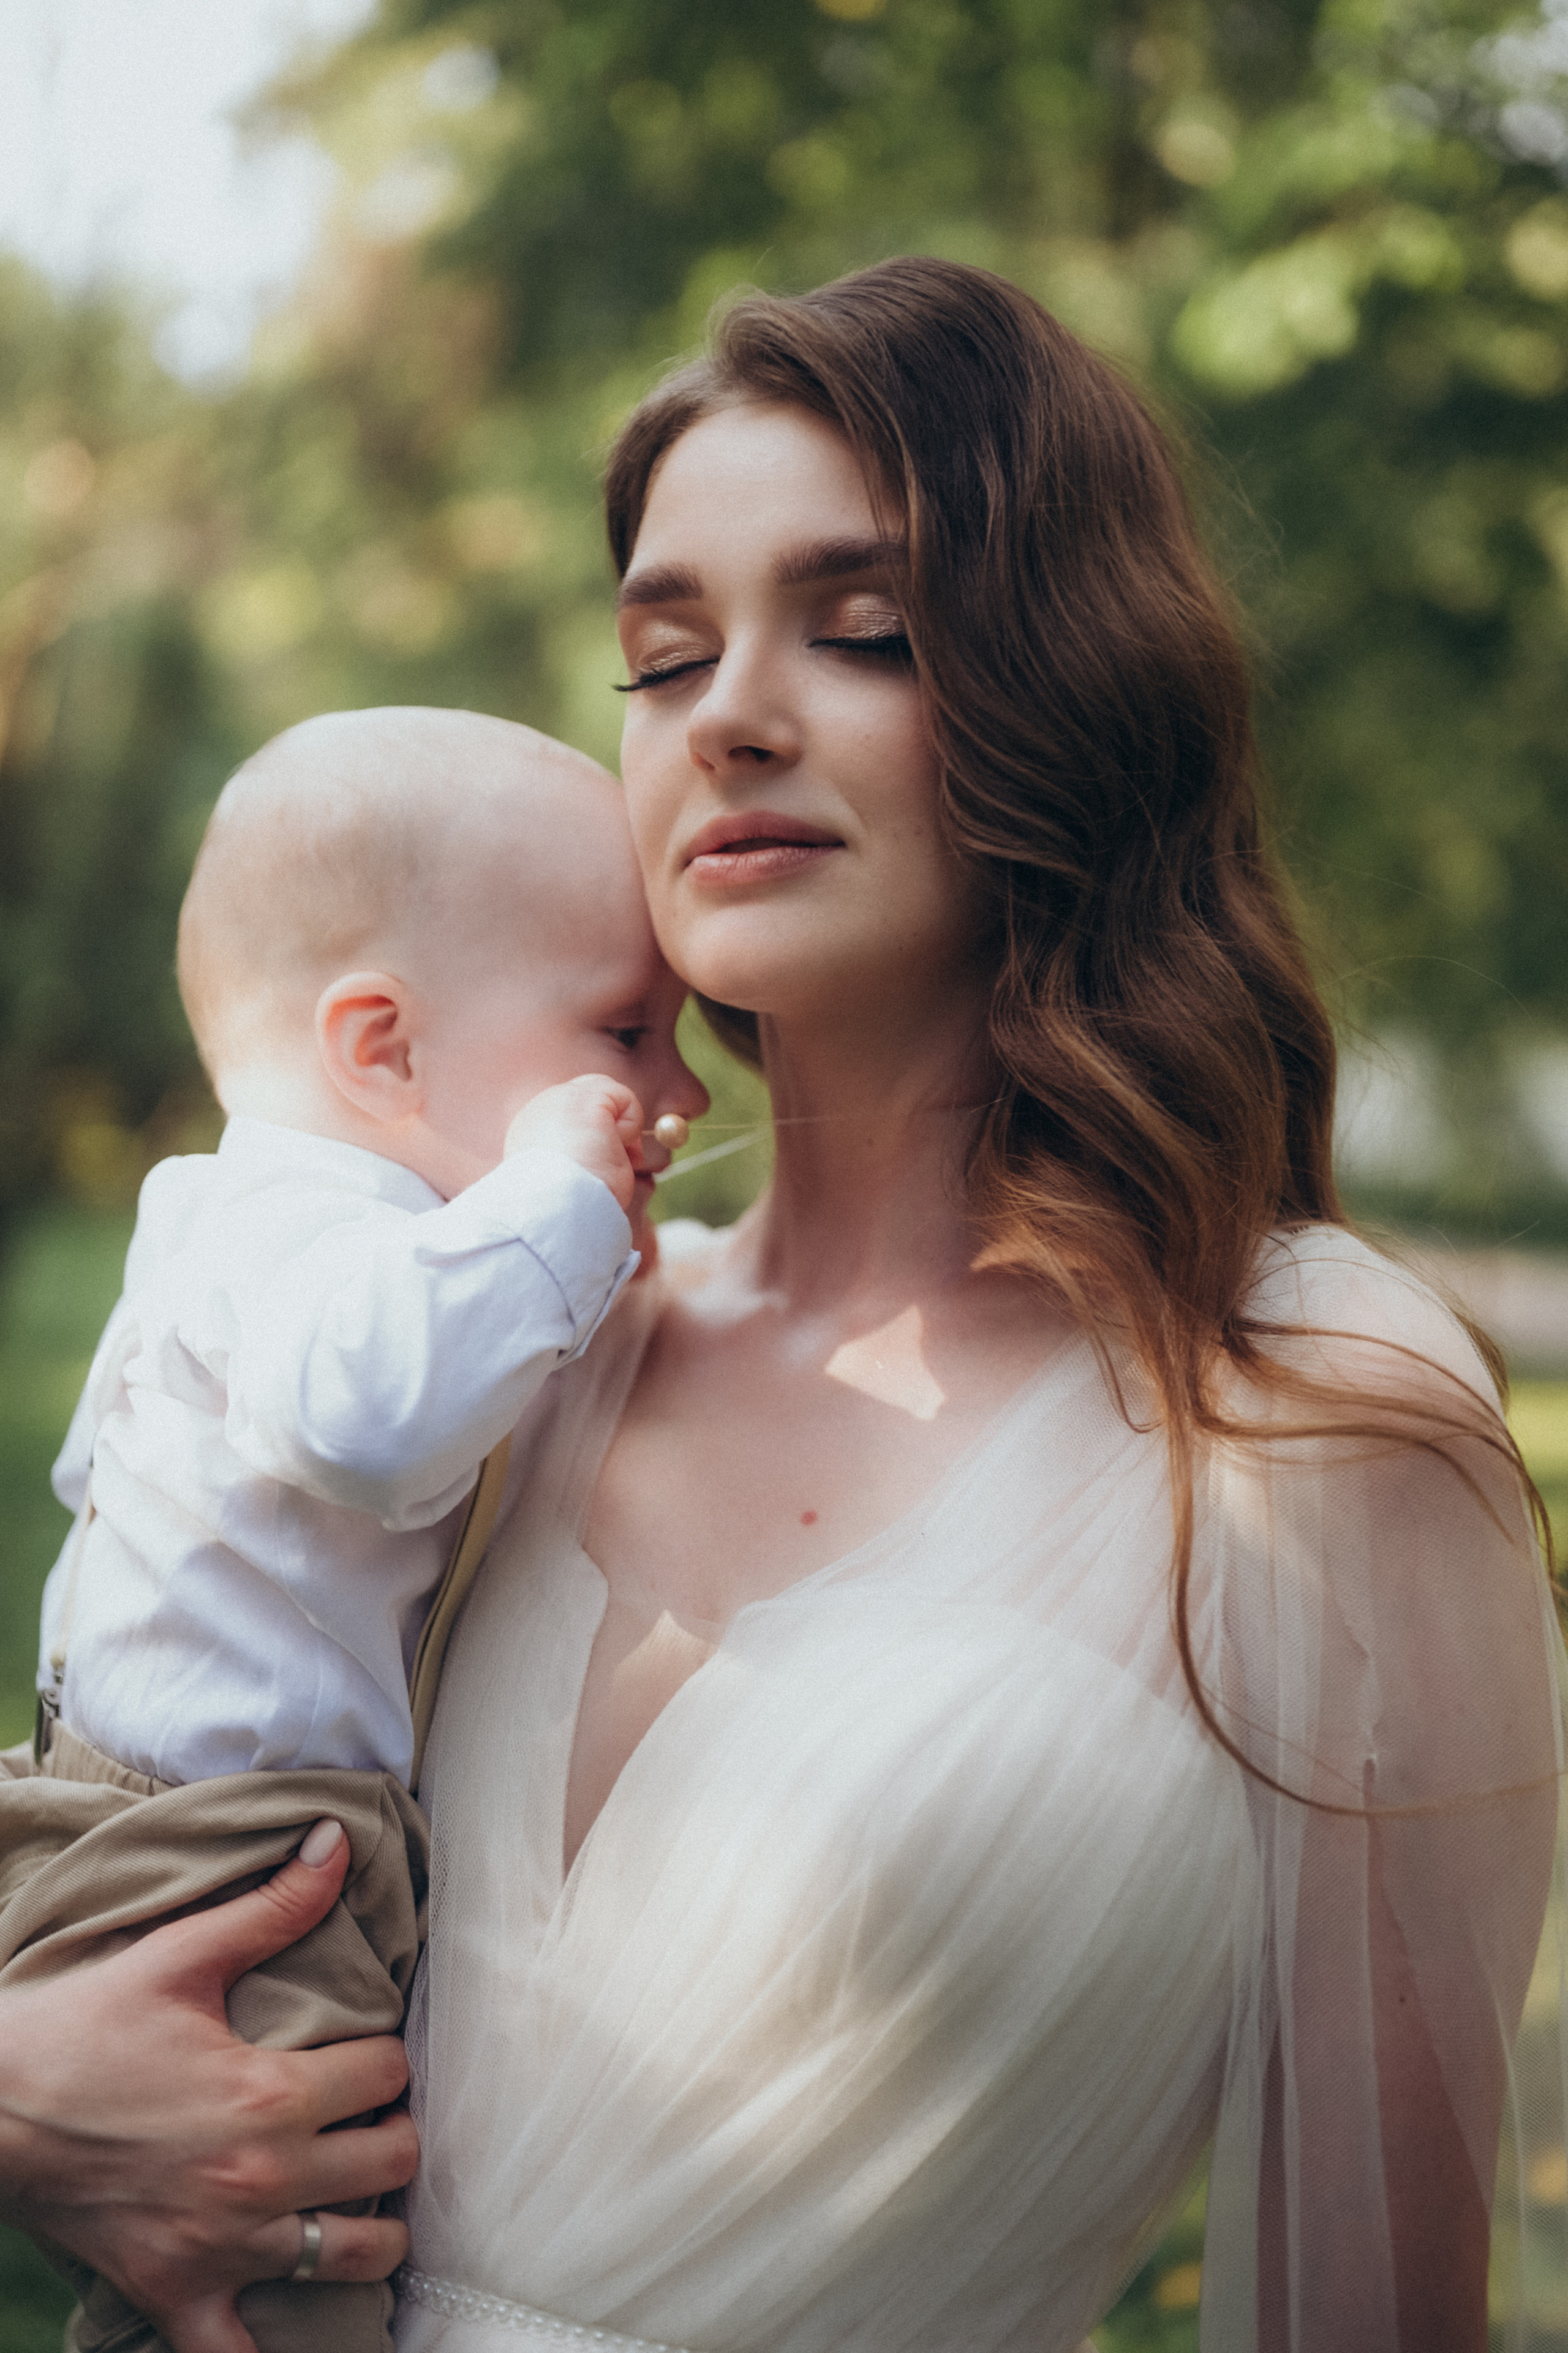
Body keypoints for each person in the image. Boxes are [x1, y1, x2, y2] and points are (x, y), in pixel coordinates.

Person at [1, 258, 1562, 2353]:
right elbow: (147, 1717)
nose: (731, 711)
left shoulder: (1321, 1410)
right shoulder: (519, 1343)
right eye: (665, 656)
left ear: (1073, 695)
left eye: (866, 629)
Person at [0, 705, 706, 2353]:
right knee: (278, 2263)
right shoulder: (313, 1231)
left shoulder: (263, 1227)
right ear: (380, 1050)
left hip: (173, 1818)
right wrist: (556, 1206)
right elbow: (363, 1419)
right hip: (225, 1853)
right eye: (624, 1030)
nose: (674, 1093)